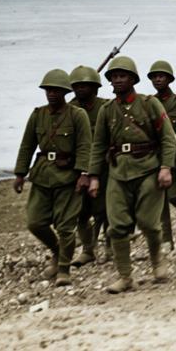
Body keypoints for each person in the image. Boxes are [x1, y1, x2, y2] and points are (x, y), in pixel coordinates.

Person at [88, 56, 176, 293]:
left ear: (133, 79)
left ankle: (158, 260)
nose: (117, 80)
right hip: (118, 172)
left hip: (148, 169)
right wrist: (94, 176)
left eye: (122, 76)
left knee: (149, 222)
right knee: (116, 227)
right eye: (114, 77)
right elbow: (98, 146)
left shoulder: (149, 104)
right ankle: (125, 276)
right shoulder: (107, 110)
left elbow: (168, 138)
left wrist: (166, 167)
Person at [14, 69, 93, 287]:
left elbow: (85, 146)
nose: (51, 93)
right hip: (42, 176)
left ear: (65, 92)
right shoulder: (38, 114)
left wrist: (84, 174)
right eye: (48, 89)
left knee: (66, 227)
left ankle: (64, 269)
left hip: (68, 178)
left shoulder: (77, 115)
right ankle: (57, 251)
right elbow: (27, 145)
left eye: (56, 90)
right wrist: (20, 174)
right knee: (35, 223)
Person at [147, 60, 176, 246]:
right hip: (155, 156)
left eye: (161, 76)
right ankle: (166, 237)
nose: (158, 80)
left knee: (174, 195)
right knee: (160, 200)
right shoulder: (150, 102)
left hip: (175, 154)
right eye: (154, 77)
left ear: (169, 79)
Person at [68, 65, 110, 267]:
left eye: (86, 85)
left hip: (104, 166)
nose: (81, 89)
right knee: (81, 211)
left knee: (107, 209)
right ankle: (87, 249)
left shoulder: (106, 107)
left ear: (95, 87)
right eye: (77, 85)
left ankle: (111, 246)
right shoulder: (69, 111)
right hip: (77, 168)